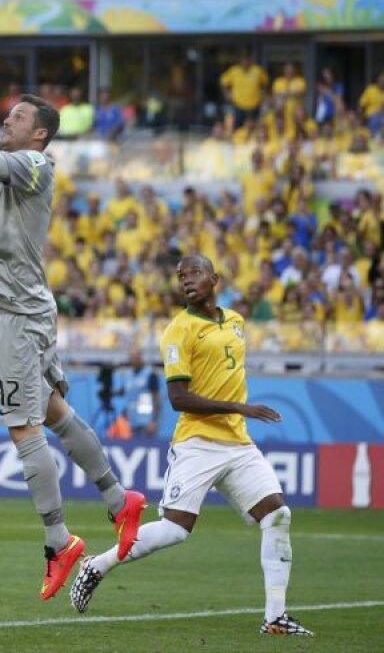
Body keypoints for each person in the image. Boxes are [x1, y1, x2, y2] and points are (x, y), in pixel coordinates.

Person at [0, 59, 146, 599]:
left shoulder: (36, 164)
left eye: (18, 116)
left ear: (39, 132)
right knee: (53, 412)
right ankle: (119, 501)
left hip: (17, 313)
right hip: (20, 308)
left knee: (23, 429)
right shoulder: (1, 161)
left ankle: (59, 541)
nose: (9, 119)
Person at [71, 255, 314, 637]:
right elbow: (178, 398)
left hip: (237, 443)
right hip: (197, 442)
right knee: (175, 530)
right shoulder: (178, 331)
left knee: (278, 516)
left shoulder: (235, 320)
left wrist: (237, 414)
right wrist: (240, 407)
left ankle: (275, 617)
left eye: (194, 273)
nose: (186, 280)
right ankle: (96, 565)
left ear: (215, 278)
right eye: (181, 276)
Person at [119, 347, 161, 437]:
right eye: (132, 357)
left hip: (146, 422)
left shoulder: (150, 374)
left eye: (136, 357)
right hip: (131, 422)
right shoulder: (127, 376)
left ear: (141, 357)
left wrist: (154, 421)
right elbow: (127, 396)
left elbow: (157, 398)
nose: (134, 360)